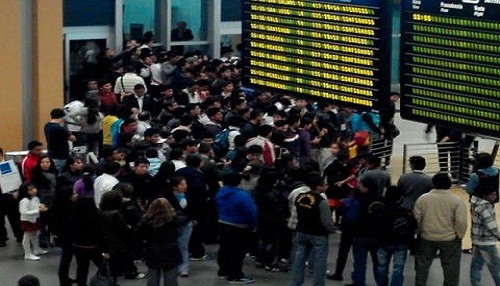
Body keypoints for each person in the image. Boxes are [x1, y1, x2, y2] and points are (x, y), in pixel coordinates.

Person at [413, 173, 468, 286]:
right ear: (450, 185)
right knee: (451, 269)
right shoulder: (456, 200)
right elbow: (461, 221)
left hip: (426, 237)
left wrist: (418, 233)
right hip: (450, 239)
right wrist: (459, 234)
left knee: (422, 267)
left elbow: (416, 218)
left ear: (433, 184)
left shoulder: (423, 199)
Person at [291, 175, 335, 286]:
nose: (326, 185)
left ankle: (296, 282)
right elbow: (327, 221)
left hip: (302, 230)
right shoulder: (322, 202)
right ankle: (318, 283)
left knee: (299, 259)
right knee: (319, 261)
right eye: (324, 184)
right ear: (318, 187)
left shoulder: (300, 197)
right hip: (318, 234)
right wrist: (331, 229)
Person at [215, 173, 258, 283]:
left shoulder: (221, 192)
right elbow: (251, 212)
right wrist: (254, 225)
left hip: (222, 223)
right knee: (237, 251)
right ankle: (235, 275)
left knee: (225, 248)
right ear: (239, 182)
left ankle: (223, 271)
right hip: (239, 226)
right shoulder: (242, 195)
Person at [373, 186, 417, 286]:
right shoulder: (405, 212)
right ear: (400, 198)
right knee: (398, 267)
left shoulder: (379, 210)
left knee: (381, 266)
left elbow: (374, 226)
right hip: (400, 243)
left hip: (383, 242)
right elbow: (413, 226)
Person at [99, 190, 145, 284]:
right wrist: (129, 228)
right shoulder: (116, 214)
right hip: (119, 242)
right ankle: (130, 272)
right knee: (126, 258)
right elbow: (124, 230)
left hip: (106, 241)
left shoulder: (100, 212)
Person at [137, 198, 182, 286]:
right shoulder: (174, 220)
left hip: (152, 250)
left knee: (153, 275)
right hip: (171, 250)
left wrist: (139, 253)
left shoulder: (146, 221)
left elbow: (139, 237)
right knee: (170, 275)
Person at [348, 176, 382, 286]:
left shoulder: (359, 201)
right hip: (378, 235)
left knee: (359, 262)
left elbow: (351, 217)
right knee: (378, 263)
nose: (358, 186)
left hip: (360, 234)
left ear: (366, 188)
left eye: (360, 185)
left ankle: (359, 283)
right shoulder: (381, 200)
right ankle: (381, 282)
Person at [469, 185, 500, 286]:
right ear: (484, 196)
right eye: (492, 195)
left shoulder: (475, 203)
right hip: (487, 241)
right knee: (496, 268)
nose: (494, 197)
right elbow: (491, 226)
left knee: (476, 265)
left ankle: (475, 283)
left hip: (477, 239)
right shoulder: (485, 207)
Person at [72, 197, 103, 286]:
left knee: (82, 268)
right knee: (103, 266)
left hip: (78, 246)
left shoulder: (74, 216)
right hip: (94, 247)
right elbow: (99, 234)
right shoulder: (95, 217)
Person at [18, 183, 48, 261]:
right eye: (30, 189)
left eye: (34, 188)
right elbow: (24, 212)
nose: (34, 190)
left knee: (36, 234)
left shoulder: (36, 198)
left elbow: (37, 204)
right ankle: (27, 254)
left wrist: (41, 206)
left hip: (35, 219)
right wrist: (37, 210)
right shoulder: (24, 201)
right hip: (27, 221)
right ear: (25, 191)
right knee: (27, 237)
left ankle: (36, 249)